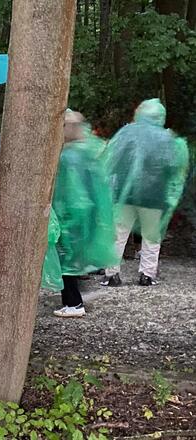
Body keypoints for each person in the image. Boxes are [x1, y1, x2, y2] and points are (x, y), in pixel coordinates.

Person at [100, 99, 189, 287]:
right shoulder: (166, 139)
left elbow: (111, 159)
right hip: (154, 196)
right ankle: (147, 275)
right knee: (151, 236)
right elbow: (173, 167)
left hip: (125, 193)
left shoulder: (126, 133)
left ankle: (111, 275)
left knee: (118, 234)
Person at [47, 110, 117, 317]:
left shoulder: (69, 155)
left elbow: (72, 191)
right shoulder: (86, 149)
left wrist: (66, 216)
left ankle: (74, 303)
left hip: (71, 215)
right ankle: (73, 300)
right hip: (84, 214)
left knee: (66, 259)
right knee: (72, 260)